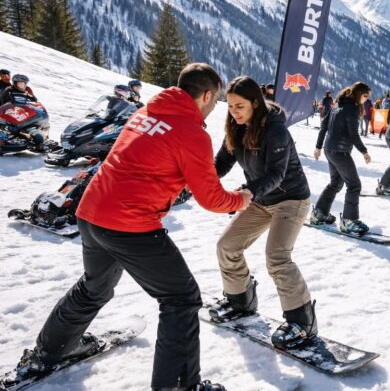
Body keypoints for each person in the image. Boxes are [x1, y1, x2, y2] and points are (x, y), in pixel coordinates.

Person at [13, 63, 250, 391]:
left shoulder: (144, 114)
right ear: (207, 95)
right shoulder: (192, 132)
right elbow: (211, 198)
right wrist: (241, 199)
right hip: (129, 223)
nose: (214, 107)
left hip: (91, 212)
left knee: (94, 286)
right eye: (215, 100)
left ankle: (46, 355)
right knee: (181, 299)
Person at [211, 76, 316, 349]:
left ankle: (302, 322)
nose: (234, 111)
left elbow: (276, 174)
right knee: (227, 246)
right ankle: (240, 300)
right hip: (260, 199)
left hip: (290, 199)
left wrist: (246, 192)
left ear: (255, 103)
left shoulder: (275, 130)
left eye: (240, 106)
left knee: (277, 257)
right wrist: (197, 180)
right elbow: (221, 162)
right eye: (231, 106)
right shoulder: (236, 127)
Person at [311, 82, 372, 235]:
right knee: (354, 185)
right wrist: (364, 151)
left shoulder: (337, 104)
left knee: (336, 183)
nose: (366, 99)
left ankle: (319, 213)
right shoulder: (351, 108)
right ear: (359, 94)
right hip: (340, 152)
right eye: (365, 96)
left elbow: (324, 126)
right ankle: (349, 221)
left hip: (329, 149)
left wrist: (318, 147)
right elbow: (353, 134)